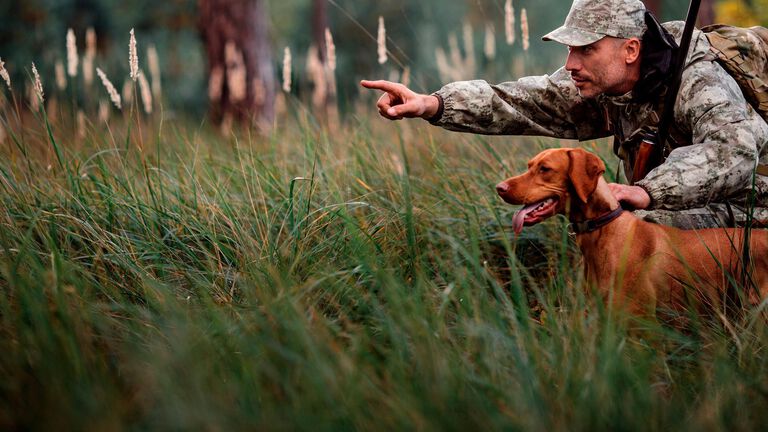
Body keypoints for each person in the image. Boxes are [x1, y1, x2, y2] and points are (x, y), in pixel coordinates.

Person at [361, 0, 768, 229]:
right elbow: (519, 101)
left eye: (586, 49)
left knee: (642, 228)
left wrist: (647, 192)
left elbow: (733, 150)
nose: (570, 63)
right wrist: (432, 103)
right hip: (684, 207)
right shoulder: (600, 82)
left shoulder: (695, 78)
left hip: (754, 210)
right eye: (569, 49)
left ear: (630, 50)